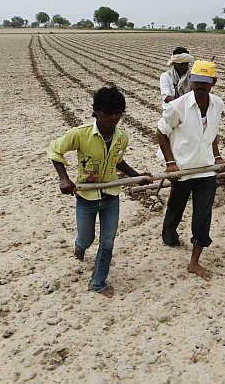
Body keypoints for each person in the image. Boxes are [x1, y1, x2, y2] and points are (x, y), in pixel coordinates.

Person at [48, 86, 150, 297]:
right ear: (97, 112)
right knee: (87, 237)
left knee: (108, 241)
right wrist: (64, 178)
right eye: (109, 113)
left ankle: (98, 282)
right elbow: (55, 150)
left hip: (111, 195)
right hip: (86, 197)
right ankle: (80, 246)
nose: (114, 118)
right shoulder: (81, 134)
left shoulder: (121, 137)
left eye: (118, 113)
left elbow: (118, 161)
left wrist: (137, 176)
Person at [156, 60, 225, 281]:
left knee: (203, 214)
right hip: (183, 168)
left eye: (205, 83)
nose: (200, 87)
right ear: (191, 81)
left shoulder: (218, 104)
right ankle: (169, 234)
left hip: (206, 168)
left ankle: (194, 262)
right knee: (176, 205)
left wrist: (217, 155)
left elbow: (212, 132)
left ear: (213, 83)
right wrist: (170, 163)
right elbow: (160, 132)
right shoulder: (178, 106)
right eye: (197, 82)